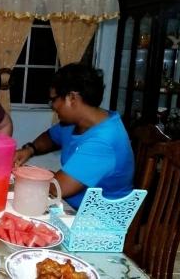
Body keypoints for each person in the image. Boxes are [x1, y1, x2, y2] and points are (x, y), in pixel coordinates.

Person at [14, 63, 134, 210]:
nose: (52, 106)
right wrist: (30, 149)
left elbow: (59, 187)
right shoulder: (78, 121)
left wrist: (23, 172)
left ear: (72, 98)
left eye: (54, 99)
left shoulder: (104, 140)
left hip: (94, 221)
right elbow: (51, 137)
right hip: (70, 206)